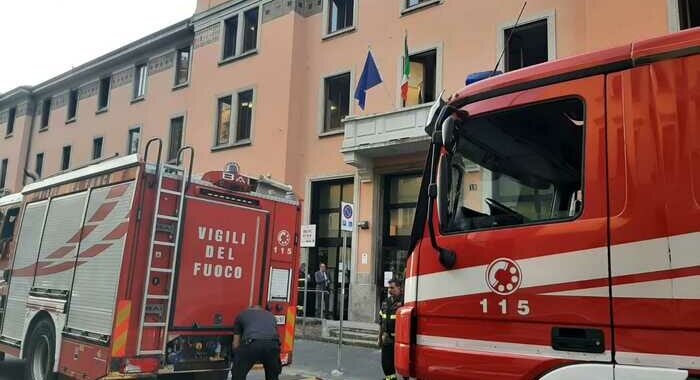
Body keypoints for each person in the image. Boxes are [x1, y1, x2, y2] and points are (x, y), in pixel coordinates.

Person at [231, 305, 281, 380]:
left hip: (252, 344)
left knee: (238, 374)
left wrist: (236, 357)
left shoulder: (242, 315)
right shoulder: (271, 315)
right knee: (273, 376)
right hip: (273, 344)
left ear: (249, 309)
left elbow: (236, 342)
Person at [379, 278, 404, 380]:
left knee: (399, 366)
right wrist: (379, 337)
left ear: (399, 288)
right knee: (386, 364)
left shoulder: (404, 302)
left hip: (398, 340)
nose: (390, 290)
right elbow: (381, 321)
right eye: (389, 288)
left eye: (392, 287)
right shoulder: (386, 302)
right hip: (386, 339)